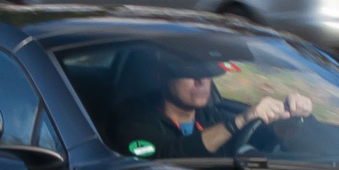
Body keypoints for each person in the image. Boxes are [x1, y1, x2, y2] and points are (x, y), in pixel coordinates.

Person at [112, 45, 310, 160]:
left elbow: (257, 142)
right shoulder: (133, 123)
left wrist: (285, 125)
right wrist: (238, 122)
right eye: (190, 74)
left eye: (207, 74)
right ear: (162, 76)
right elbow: (168, 158)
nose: (201, 81)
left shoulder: (214, 117)